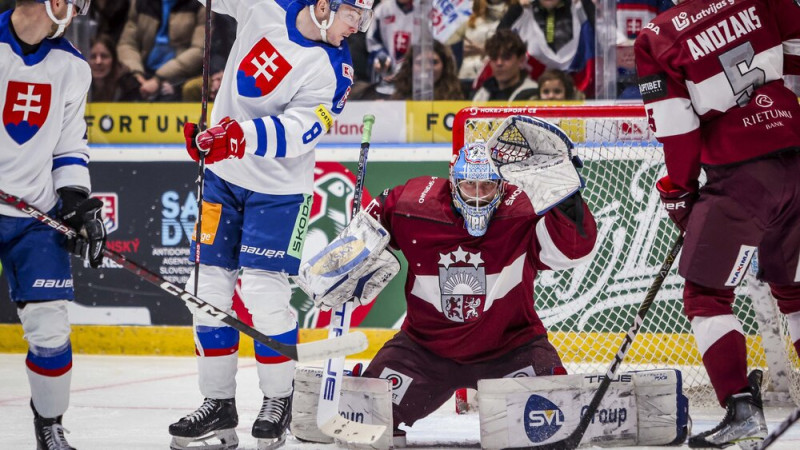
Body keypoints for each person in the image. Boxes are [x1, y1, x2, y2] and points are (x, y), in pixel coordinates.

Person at [167, 0, 374, 449]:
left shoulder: (334, 70)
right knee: (207, 293)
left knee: (263, 293)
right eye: (352, 15)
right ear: (324, 6)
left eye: (361, 18)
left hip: (280, 192)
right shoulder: (265, 5)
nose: (355, 28)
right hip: (222, 179)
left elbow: (300, 130)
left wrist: (234, 137)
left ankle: (278, 400)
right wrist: (222, 142)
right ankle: (218, 403)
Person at [634, 0, 800, 447]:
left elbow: (677, 129)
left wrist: (679, 192)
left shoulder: (657, 35)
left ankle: (741, 407)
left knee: (706, 294)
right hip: (797, 157)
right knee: (794, 289)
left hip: (740, 177)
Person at [360, 140, 597, 443]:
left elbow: (574, 249)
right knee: (365, 418)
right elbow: (365, 232)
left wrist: (567, 199)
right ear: (452, 181)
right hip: (424, 352)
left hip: (511, 349)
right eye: (469, 185)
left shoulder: (523, 210)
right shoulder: (412, 207)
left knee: (553, 427)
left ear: (502, 185)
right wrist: (348, 260)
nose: (476, 196)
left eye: (486, 186)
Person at [0, 1, 107, 449]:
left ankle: (50, 425)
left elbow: (69, 142)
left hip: (32, 216)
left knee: (50, 327)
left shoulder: (72, 66)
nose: (80, 10)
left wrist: (75, 202)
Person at [116, 0, 205, 101]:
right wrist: (137, 75)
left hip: (181, 76)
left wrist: (158, 79)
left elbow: (200, 50)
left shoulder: (201, 3)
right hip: (142, 74)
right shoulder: (140, 3)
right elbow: (127, 44)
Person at [471, 29, 538, 102]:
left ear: (521, 60)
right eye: (494, 57)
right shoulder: (482, 94)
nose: (499, 63)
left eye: (506, 57)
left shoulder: (532, 94)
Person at [390, 40, 464, 100]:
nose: (427, 67)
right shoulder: (397, 101)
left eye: (434, 62)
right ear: (410, 66)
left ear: (444, 67)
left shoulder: (455, 99)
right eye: (420, 63)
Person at [88, 34, 140, 101]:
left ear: (114, 60)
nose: (98, 62)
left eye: (104, 56)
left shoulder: (128, 85)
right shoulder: (76, 85)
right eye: (93, 57)